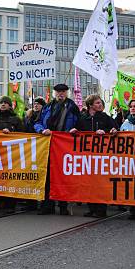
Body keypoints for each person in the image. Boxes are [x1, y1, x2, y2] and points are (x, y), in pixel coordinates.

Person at [35, 84, 81, 215]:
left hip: (64, 146)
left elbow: (79, 123)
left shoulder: (72, 107)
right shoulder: (47, 107)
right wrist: (42, 130)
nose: (61, 94)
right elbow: (37, 122)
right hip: (48, 144)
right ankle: (46, 205)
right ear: (54, 93)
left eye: (63, 92)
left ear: (67, 93)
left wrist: (74, 130)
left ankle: (63, 206)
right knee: (47, 175)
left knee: (63, 176)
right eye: (58, 92)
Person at [71, 94, 117, 218]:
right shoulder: (83, 118)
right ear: (90, 105)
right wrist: (74, 131)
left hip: (101, 156)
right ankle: (91, 208)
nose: (100, 104)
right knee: (89, 182)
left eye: (100, 103)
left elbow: (114, 129)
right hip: (87, 157)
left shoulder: (105, 117)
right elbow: (77, 130)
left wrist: (109, 131)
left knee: (100, 183)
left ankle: (101, 209)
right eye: (97, 103)